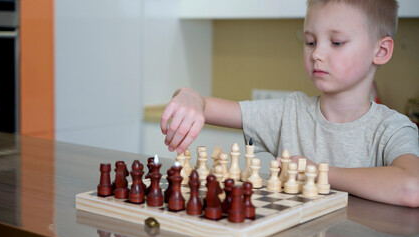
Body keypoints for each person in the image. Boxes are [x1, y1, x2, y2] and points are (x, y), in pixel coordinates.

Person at [160, 0, 419, 207]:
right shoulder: (288, 113)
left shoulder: (393, 129)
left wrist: (317, 173)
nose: (317, 54)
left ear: (381, 51)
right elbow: (206, 106)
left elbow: (412, 187)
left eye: (336, 42)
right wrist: (190, 97)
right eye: (310, 42)